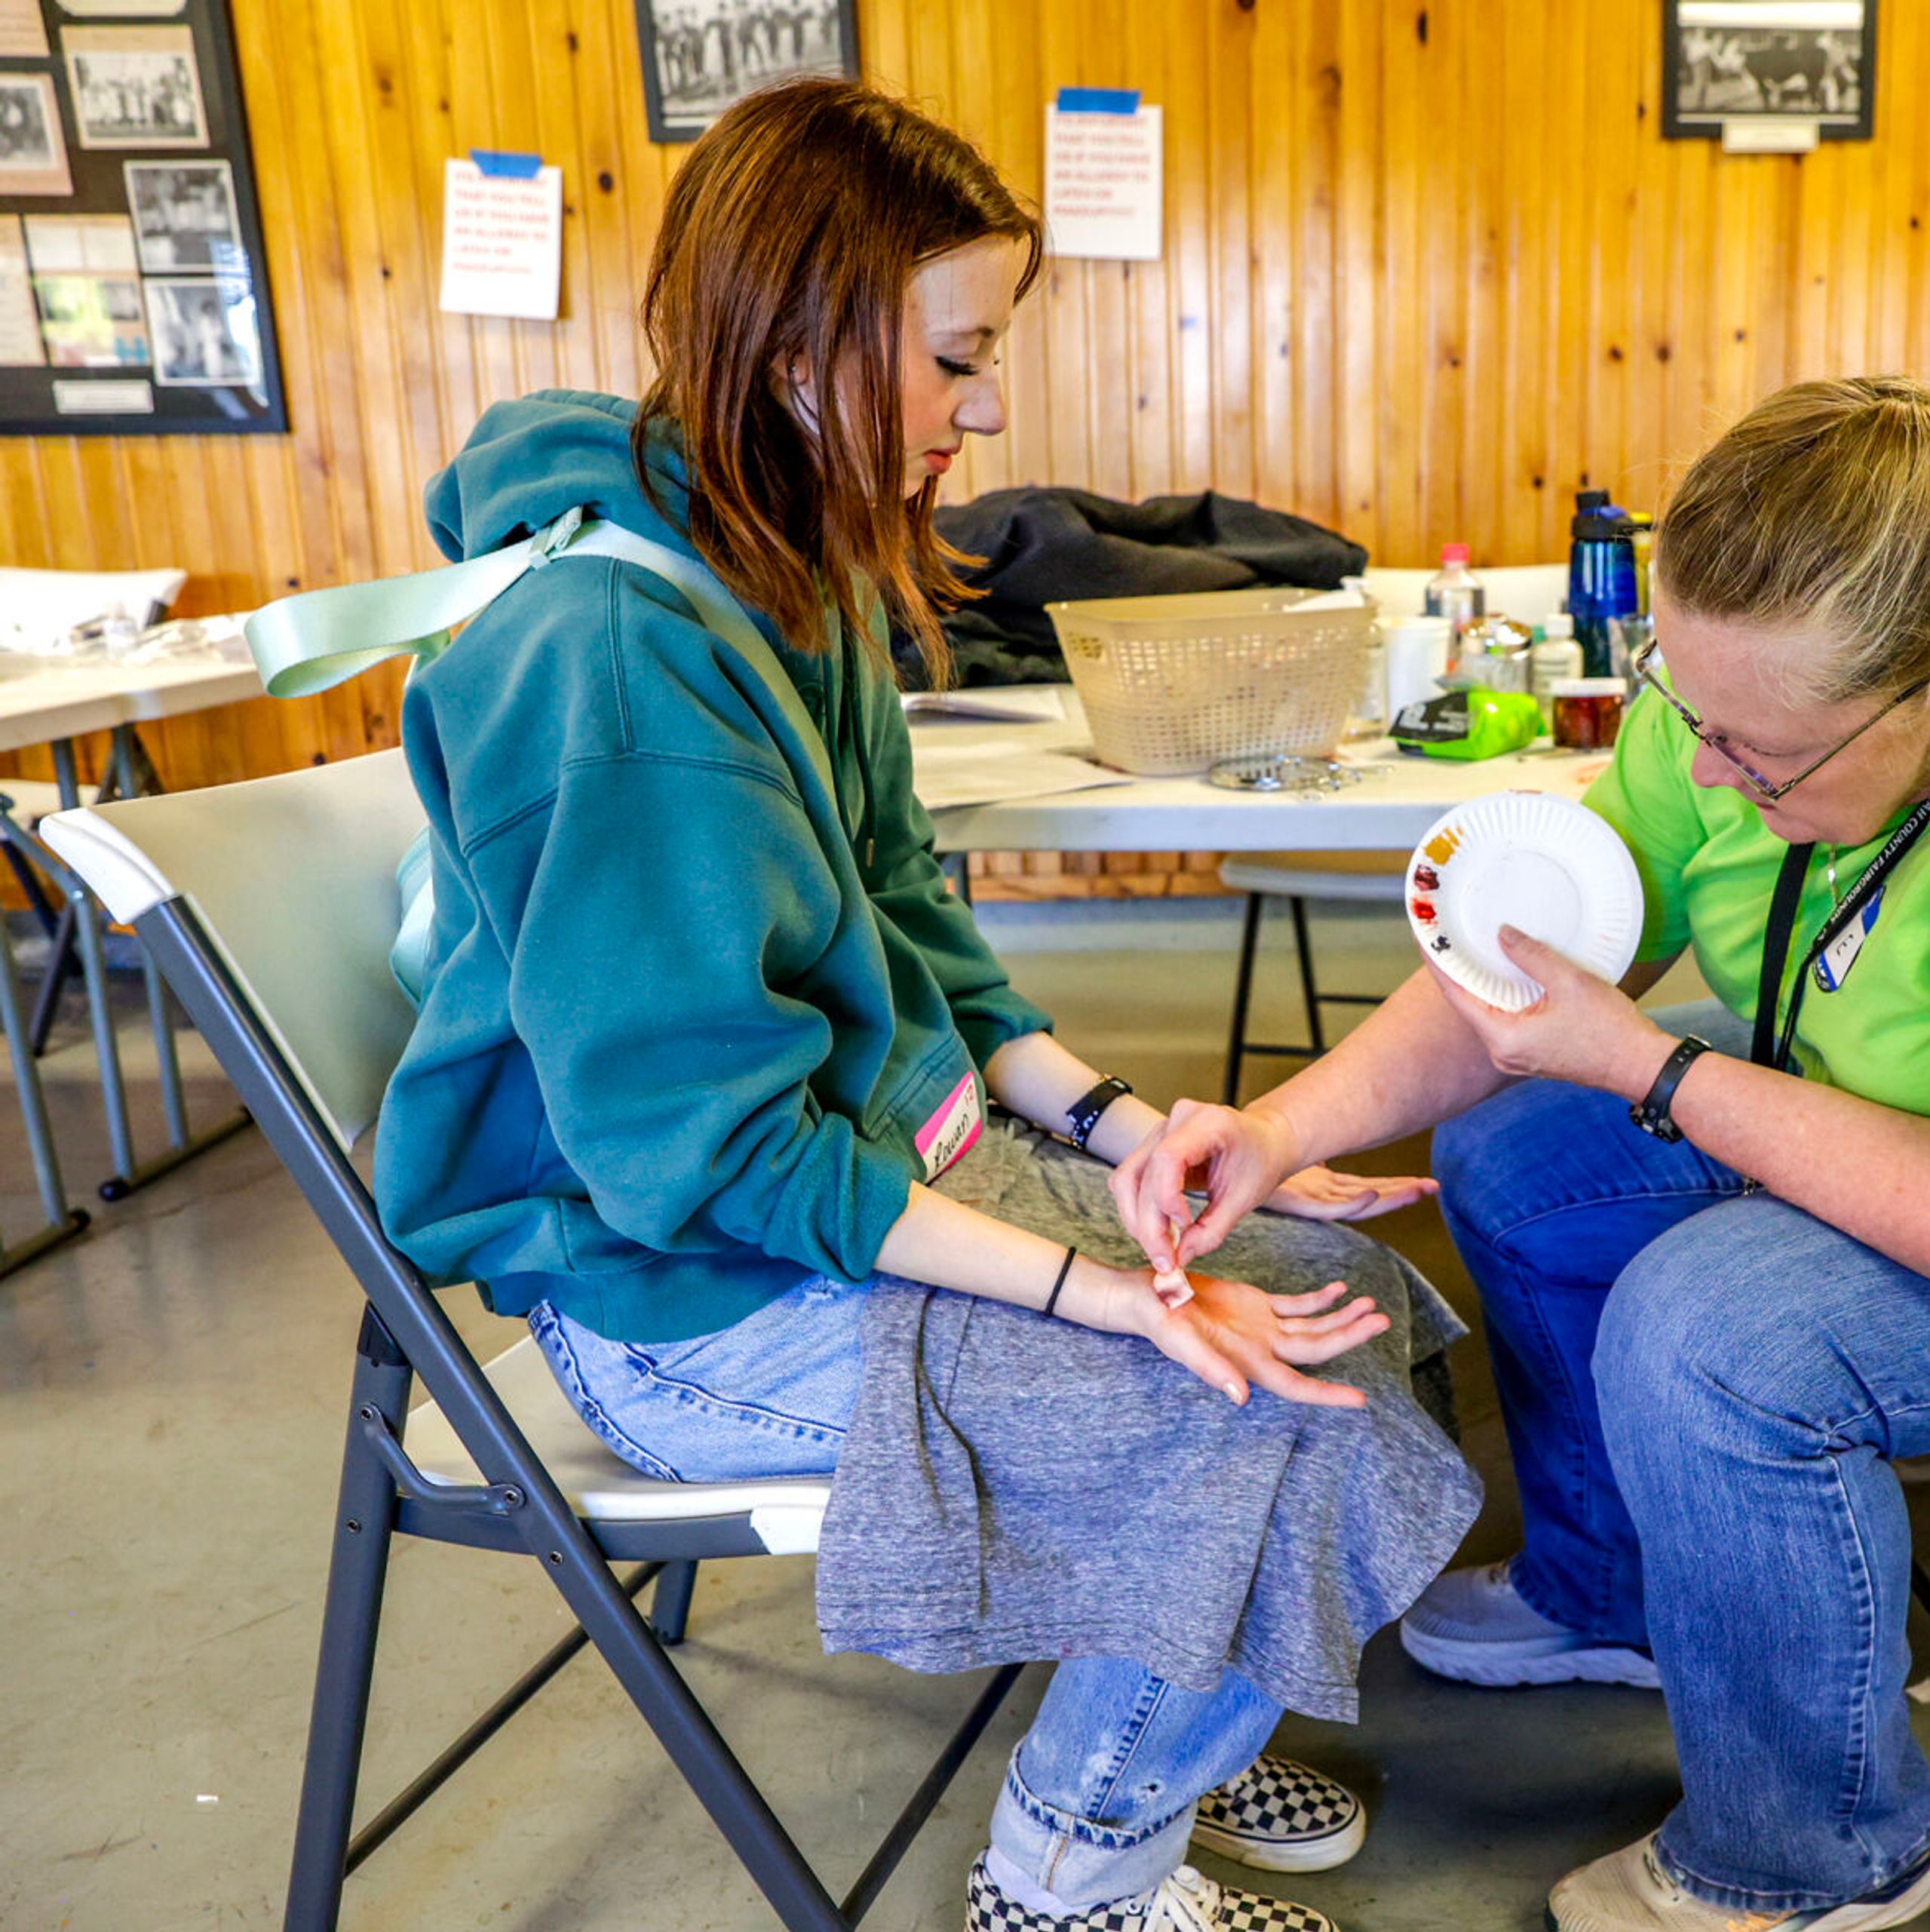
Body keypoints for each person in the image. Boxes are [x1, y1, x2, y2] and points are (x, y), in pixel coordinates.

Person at [1114, 376, 1930, 1930]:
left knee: (1718, 1335)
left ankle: (1814, 1862)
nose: (1704, 772)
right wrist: (1272, 1132)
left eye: (1757, 754)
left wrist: (1657, 1065)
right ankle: (1610, 1587)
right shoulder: (1772, 695)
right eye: (1687, 711)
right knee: (1524, 1151)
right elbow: (1519, 967)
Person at [375, 78, 1476, 1932]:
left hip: (827, 1186)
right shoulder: (615, 661)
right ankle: (1076, 1866)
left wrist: (1141, 1139)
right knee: (1276, 1418)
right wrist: (1095, 1288)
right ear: (797, 340)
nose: (985, 410)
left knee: (1344, 1301)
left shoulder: (785, 569)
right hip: (681, 1296)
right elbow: (702, 1157)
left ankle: (1159, 1696)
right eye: (956, 357)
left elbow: (909, 927)